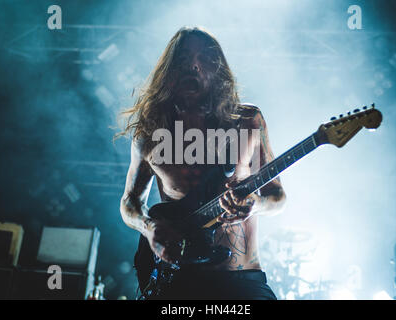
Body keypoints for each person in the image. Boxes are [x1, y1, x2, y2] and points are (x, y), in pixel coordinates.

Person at [118, 26, 286, 299]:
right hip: (175, 278)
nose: (193, 66)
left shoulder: (248, 121)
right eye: (184, 59)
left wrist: (256, 205)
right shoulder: (150, 130)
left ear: (218, 69)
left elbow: (277, 196)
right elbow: (130, 202)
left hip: (239, 278)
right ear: (169, 70)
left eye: (203, 59)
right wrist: (149, 228)